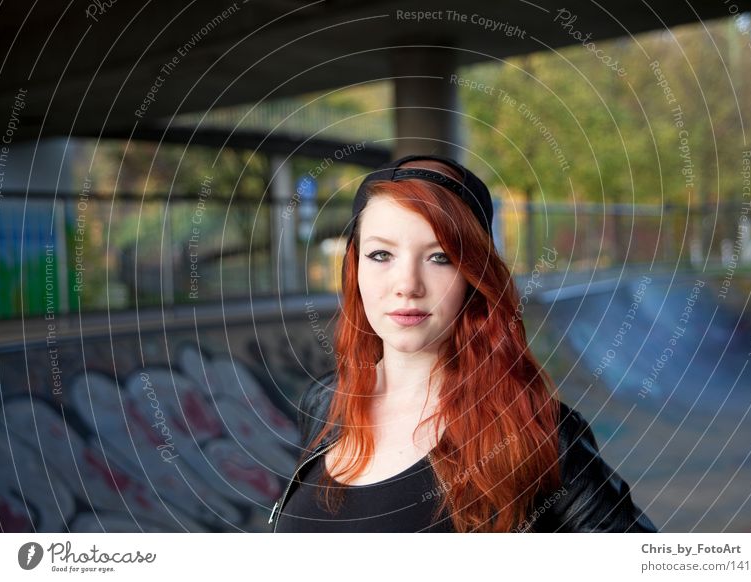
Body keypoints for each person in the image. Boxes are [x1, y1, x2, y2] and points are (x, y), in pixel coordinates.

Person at [269, 154, 657, 533]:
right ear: (355, 268)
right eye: (381, 254)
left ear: (473, 276)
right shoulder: (324, 403)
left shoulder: (536, 431)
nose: (407, 285)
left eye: (440, 257)